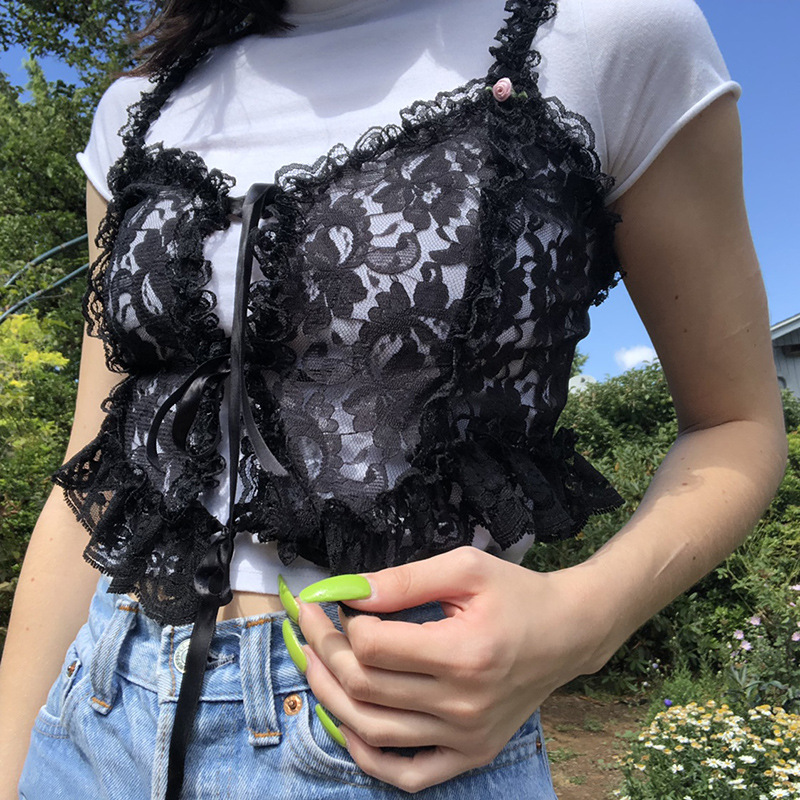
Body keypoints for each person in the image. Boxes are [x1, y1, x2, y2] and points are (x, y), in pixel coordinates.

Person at [0, 0, 788, 797]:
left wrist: (584, 620)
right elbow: (93, 470)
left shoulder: (605, 37)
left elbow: (737, 423)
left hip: (392, 735)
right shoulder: (138, 106)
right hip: (91, 715)